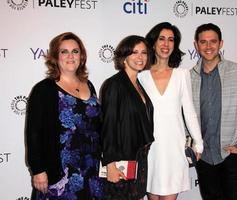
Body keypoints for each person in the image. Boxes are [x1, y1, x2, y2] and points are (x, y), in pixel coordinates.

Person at [25, 32, 103, 199]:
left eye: (75, 51)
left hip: (91, 168)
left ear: (81, 56)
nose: (70, 56)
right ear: (55, 56)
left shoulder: (88, 84)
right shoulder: (44, 89)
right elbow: (34, 133)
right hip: (60, 171)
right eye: (64, 51)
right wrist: (38, 170)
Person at [190, 23, 237, 200]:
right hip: (204, 156)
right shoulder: (189, 77)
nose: (208, 47)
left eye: (213, 41)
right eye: (203, 42)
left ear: (221, 43)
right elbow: (184, 115)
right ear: (196, 45)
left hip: (231, 154)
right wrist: (191, 146)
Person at [138, 22, 203, 200]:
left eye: (171, 40)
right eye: (161, 39)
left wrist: (198, 142)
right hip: (149, 148)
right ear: (153, 43)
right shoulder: (141, 76)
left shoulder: (182, 74)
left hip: (174, 146)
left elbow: (189, 111)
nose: (166, 44)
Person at [99, 35, 154, 200]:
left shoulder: (138, 84)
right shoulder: (114, 84)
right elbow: (108, 125)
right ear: (124, 57)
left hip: (138, 158)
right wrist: (110, 165)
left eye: (144, 52)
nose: (140, 57)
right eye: (134, 52)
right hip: (120, 160)